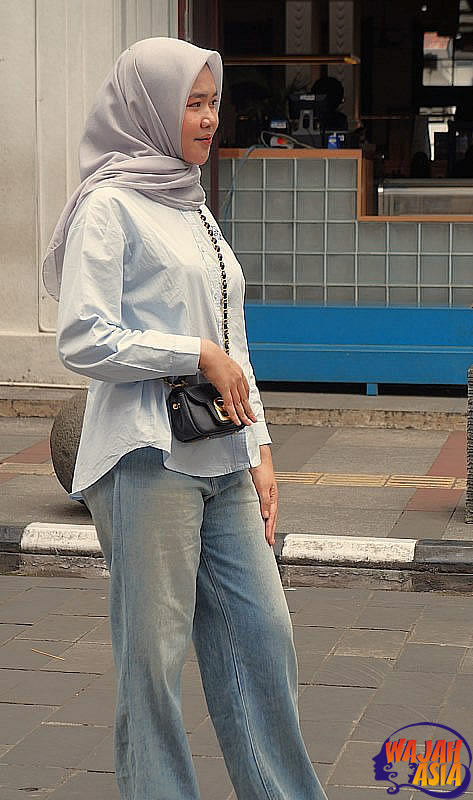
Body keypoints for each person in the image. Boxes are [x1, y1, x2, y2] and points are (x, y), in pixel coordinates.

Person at [41, 36, 329, 800]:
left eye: (212, 102)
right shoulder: (110, 204)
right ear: (149, 107)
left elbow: (231, 337)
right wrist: (191, 353)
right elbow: (83, 336)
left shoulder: (190, 201)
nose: (207, 118)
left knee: (263, 640)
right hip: (146, 462)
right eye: (191, 103)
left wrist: (260, 445)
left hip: (222, 459)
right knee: (154, 664)